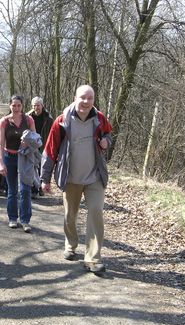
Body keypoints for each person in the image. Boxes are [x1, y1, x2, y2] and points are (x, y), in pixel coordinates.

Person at [40, 85, 112, 274]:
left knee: (96, 212)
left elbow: (108, 134)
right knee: (69, 215)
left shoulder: (100, 118)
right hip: (70, 177)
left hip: (94, 176)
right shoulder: (62, 121)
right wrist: (45, 178)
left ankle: (93, 259)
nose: (86, 102)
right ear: (75, 98)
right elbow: (50, 150)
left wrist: (107, 142)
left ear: (93, 100)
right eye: (82, 98)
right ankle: (71, 245)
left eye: (90, 98)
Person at [0, 95, 36, 233]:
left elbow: (36, 139)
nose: (16, 108)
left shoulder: (28, 120)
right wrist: (1, 163)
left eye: (18, 105)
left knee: (25, 190)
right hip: (10, 156)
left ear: (22, 106)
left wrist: (28, 141)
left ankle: (25, 220)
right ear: (10, 106)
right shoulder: (4, 121)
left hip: (25, 157)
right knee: (12, 190)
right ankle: (13, 218)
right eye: (13, 105)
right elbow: (0, 144)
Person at [27, 96, 54, 198]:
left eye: (38, 105)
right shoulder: (28, 117)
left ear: (42, 106)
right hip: (31, 146)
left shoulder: (48, 118)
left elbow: (53, 133)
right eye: (34, 105)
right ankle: (34, 189)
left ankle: (40, 188)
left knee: (41, 169)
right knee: (32, 168)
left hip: (44, 146)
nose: (36, 107)